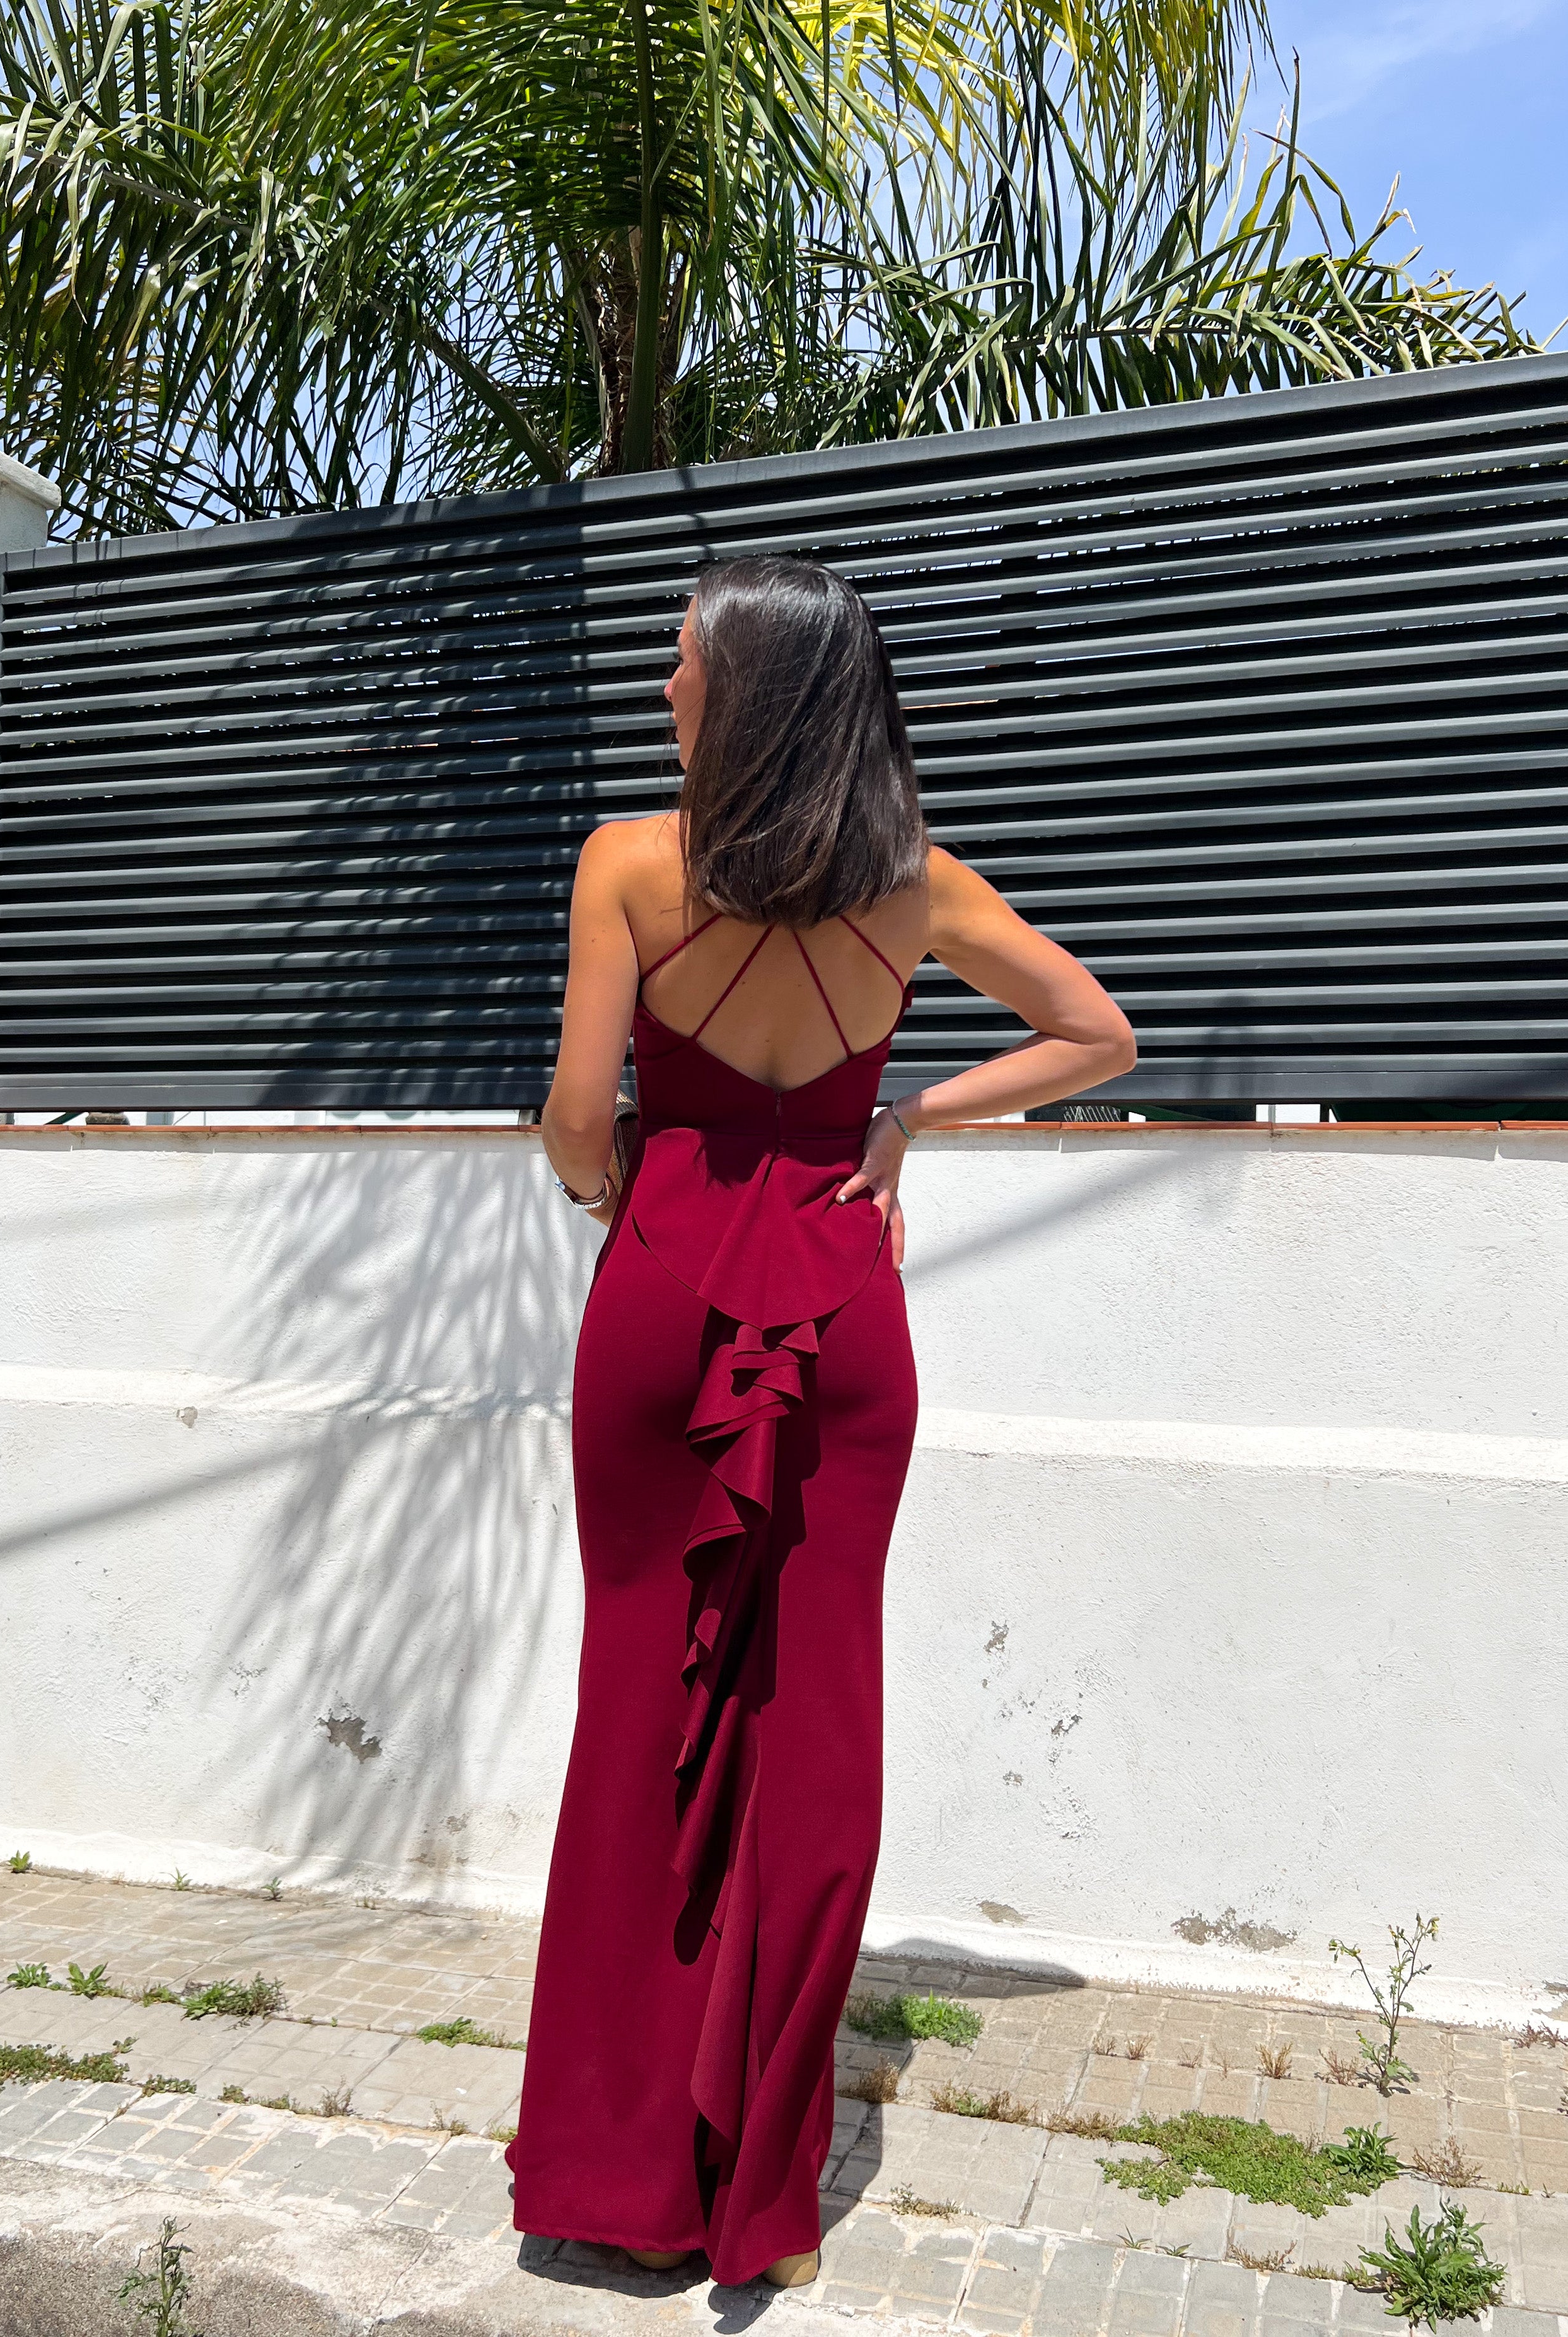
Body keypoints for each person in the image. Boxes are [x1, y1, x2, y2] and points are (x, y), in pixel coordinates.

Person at [504, 556, 1135, 2289]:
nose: (664, 692)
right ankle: (762, 2199)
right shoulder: (916, 884)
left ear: (752, 695)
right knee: (817, 1716)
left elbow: (576, 1118)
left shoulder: (629, 865)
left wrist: (621, 1200)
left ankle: (620, 2172)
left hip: (662, 1286)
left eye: (683, 666)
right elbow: (1094, 1031)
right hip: (843, 1300)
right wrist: (906, 1120)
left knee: (637, 1700)